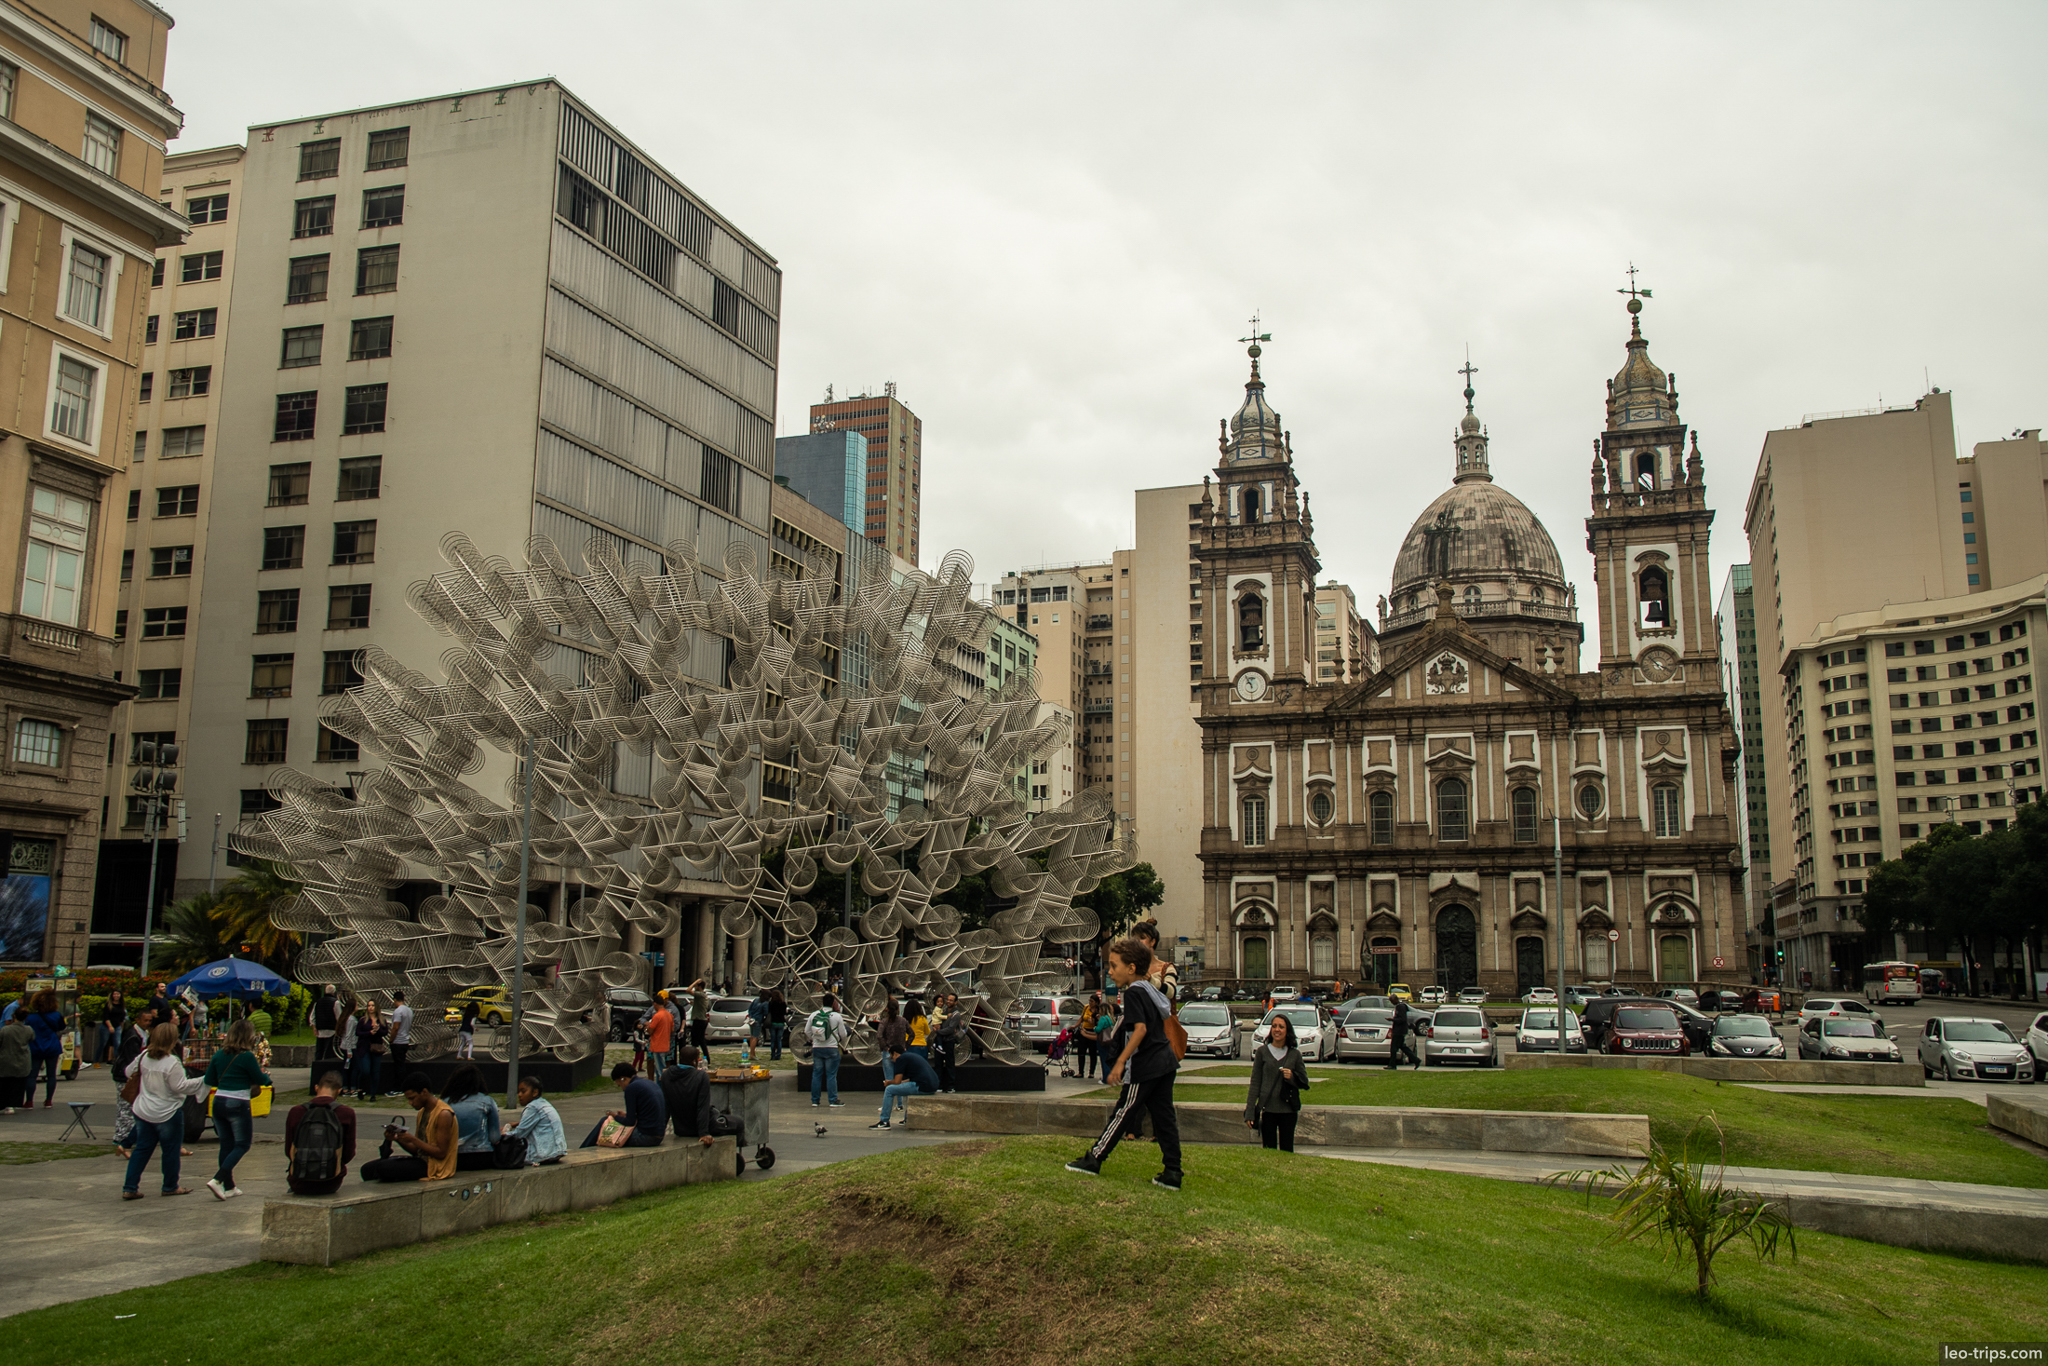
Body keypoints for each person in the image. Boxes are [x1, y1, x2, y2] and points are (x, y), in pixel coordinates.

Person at [1066, 939, 1182, 1190]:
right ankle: (1173, 1172)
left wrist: (1120, 1062)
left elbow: (1139, 1030)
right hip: (1165, 1062)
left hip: (1148, 1064)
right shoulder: (1150, 991)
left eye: (1113, 965)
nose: (1109, 971)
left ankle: (1094, 1158)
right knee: (1164, 1118)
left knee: (1123, 1112)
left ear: (1131, 968)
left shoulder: (1136, 993)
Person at [121, 1022, 208, 1199]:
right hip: (167, 1111)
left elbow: (127, 1071)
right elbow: (181, 1086)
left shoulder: (144, 1055)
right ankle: (170, 1185)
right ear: (173, 1040)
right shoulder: (172, 1062)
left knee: (142, 1150)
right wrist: (203, 1080)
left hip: (144, 1110)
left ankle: (130, 1187)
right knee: (170, 1150)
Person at [201, 1019, 273, 1199]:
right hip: (238, 1101)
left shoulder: (218, 1055)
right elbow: (260, 1078)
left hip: (218, 1101)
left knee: (226, 1144)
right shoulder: (247, 1057)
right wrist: (266, 1078)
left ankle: (229, 1186)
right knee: (242, 1144)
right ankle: (217, 1179)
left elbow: (209, 1079)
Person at [360, 1073, 459, 1183]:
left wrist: (413, 1140)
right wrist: (397, 1138)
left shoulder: (443, 1114)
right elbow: (416, 1151)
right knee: (367, 1169)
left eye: (412, 1098)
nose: (410, 1103)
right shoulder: (422, 1112)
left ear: (424, 1092)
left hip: (434, 1166)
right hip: (421, 1161)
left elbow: (441, 1153)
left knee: (383, 1168)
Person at [1244, 1013, 1310, 1152]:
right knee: (1269, 1149)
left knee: (1287, 1149)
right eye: (1274, 1026)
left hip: (1288, 1111)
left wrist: (1291, 1077)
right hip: (1268, 1110)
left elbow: (1304, 1082)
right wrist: (1250, 1112)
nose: (1277, 1030)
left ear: (1287, 1031)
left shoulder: (1294, 1054)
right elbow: (1255, 1083)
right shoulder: (1262, 1052)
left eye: (1281, 1027)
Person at [285, 1071, 358, 1195]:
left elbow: (289, 1150)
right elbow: (348, 1154)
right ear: (339, 1091)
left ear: (316, 1088)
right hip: (331, 1181)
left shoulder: (296, 1111)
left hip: (299, 1180)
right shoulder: (346, 1113)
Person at [111, 1000, 158, 1155]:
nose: (147, 1023)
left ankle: (126, 1136)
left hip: (130, 1073)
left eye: (149, 1021)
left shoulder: (143, 1033)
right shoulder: (133, 1035)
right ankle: (121, 1137)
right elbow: (132, 1058)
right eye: (145, 1020)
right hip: (123, 1074)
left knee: (131, 1107)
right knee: (125, 1106)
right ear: (137, 1020)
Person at [581, 1061, 666, 1148]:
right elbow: (646, 1114)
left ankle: (583, 1149)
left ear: (623, 1079)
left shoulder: (631, 1088)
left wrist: (614, 1116)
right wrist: (624, 1116)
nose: (622, 1089)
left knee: (604, 1121)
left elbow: (630, 1122)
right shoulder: (650, 1083)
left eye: (619, 1085)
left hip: (645, 1137)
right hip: (658, 1135)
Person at [441, 1064, 505, 1170]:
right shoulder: (487, 1101)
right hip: (481, 1156)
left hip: (453, 1157)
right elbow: (494, 1138)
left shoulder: (443, 1103)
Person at [869, 1043, 939, 1130]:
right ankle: (907, 1119)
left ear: (895, 1053)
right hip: (932, 1085)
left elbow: (897, 1082)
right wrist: (903, 1082)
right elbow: (911, 1079)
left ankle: (884, 1121)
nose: (893, 1060)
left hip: (922, 1086)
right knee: (907, 1088)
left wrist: (888, 1083)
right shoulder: (911, 1056)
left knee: (889, 1090)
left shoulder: (900, 1059)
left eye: (892, 1057)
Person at [658, 1045, 715, 1147]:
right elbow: (702, 1107)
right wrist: (704, 1133)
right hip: (697, 1129)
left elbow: (665, 1106)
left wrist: (659, 1131)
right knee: (737, 1124)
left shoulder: (667, 1075)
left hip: (680, 1129)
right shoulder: (701, 1077)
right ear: (694, 1061)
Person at [504, 1075, 568, 1165]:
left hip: (544, 1154)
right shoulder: (544, 1104)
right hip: (556, 1151)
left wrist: (503, 1134)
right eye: (518, 1092)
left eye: (523, 1091)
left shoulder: (533, 1107)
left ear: (535, 1092)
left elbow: (519, 1134)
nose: (519, 1095)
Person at [21, 989, 65, 1109]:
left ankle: (29, 1101)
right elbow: (61, 1027)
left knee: (32, 1075)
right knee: (51, 1075)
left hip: (35, 1046)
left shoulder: (31, 1017)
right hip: (52, 1046)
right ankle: (49, 1100)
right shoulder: (56, 1015)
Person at [1131, 920, 1180, 1006]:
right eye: (1135, 938)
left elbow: (1171, 992)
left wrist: (1151, 980)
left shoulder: (1167, 968)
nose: (1137, 942)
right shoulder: (1131, 968)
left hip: (1158, 1018)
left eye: (1142, 938)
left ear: (1152, 942)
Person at [351, 1002, 388, 1101]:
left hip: (376, 1047)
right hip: (364, 1047)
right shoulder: (363, 1020)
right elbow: (358, 1032)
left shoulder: (382, 1020)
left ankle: (373, 1094)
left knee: (375, 1072)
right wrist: (369, 1032)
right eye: (369, 1006)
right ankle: (360, 1088)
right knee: (365, 1070)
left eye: (373, 1005)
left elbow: (385, 1032)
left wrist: (378, 1029)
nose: (370, 1008)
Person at [0, 1007, 31, 1113]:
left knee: (5, 1083)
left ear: (14, 1017)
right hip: (22, 1060)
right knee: (17, 1083)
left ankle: (4, 1104)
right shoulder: (28, 1030)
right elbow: (32, 1039)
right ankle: (13, 1104)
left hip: (6, 1059)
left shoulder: (5, 1029)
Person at [931, 993, 963, 1093]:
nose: (948, 1001)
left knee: (949, 1064)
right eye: (947, 999)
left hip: (949, 1041)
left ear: (956, 1002)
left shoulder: (956, 1014)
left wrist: (938, 1031)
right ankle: (938, 1085)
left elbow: (950, 1029)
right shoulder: (943, 1011)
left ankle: (950, 1086)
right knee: (938, 1064)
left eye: (951, 1000)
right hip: (941, 1040)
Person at [643, 991, 676, 1079]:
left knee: (660, 1070)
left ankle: (661, 1089)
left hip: (657, 1046)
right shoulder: (669, 1015)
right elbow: (672, 1029)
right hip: (666, 1044)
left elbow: (650, 1031)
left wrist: (647, 1025)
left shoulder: (657, 1016)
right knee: (664, 1067)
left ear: (655, 1004)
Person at [1385, 995, 1419, 1070]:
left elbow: (1402, 1019)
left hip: (1399, 1030)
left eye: (1392, 1001)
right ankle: (1416, 1060)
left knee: (1394, 1048)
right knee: (1403, 1047)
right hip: (1399, 1030)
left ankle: (1392, 1065)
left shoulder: (1401, 1007)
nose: (1391, 1003)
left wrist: (1392, 1019)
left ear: (1395, 999)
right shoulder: (1399, 1006)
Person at [311, 984, 340, 1069]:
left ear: (325, 991)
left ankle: (316, 1068)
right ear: (334, 992)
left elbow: (312, 1017)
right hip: (332, 1031)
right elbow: (339, 1017)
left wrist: (314, 1028)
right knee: (329, 1052)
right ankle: (327, 1068)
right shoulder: (336, 1002)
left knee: (319, 1052)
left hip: (320, 1031)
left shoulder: (318, 1002)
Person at [387, 991, 413, 1086]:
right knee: (402, 1063)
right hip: (405, 1040)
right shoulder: (409, 1010)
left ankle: (399, 1086)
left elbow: (395, 1027)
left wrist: (391, 1039)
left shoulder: (398, 1011)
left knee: (398, 1065)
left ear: (394, 1000)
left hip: (398, 1041)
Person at [1073, 997, 1100, 1082]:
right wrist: (1075, 1026)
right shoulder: (1086, 1007)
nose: (1090, 1003)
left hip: (1093, 1031)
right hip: (1084, 1030)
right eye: (1089, 1001)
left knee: (1092, 1052)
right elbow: (1081, 1018)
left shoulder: (1098, 1010)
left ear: (1096, 1002)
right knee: (1081, 1051)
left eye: (1092, 1001)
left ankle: (1091, 1072)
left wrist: (1094, 1020)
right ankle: (1081, 1071)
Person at [688, 979, 711, 1057]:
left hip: (699, 1020)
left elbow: (687, 990)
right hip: (702, 1020)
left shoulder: (700, 994)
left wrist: (695, 982)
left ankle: (694, 1057)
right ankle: (705, 1057)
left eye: (696, 986)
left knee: (695, 1041)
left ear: (699, 987)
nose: (694, 987)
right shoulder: (703, 995)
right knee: (701, 1040)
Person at [766, 989, 789, 1060]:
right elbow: (785, 1013)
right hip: (781, 1023)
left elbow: (768, 1012)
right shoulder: (783, 1003)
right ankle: (778, 1055)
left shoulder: (771, 1003)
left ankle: (772, 1055)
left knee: (773, 1040)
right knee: (779, 1040)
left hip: (773, 1022)